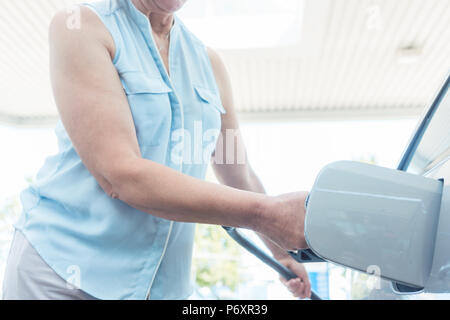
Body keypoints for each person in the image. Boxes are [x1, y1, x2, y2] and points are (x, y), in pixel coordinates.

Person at [2, 0, 310, 300]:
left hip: (159, 289)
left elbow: (237, 170)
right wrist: (265, 215)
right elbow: (120, 175)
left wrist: (280, 254)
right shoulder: (81, 25)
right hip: (59, 276)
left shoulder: (209, 64)